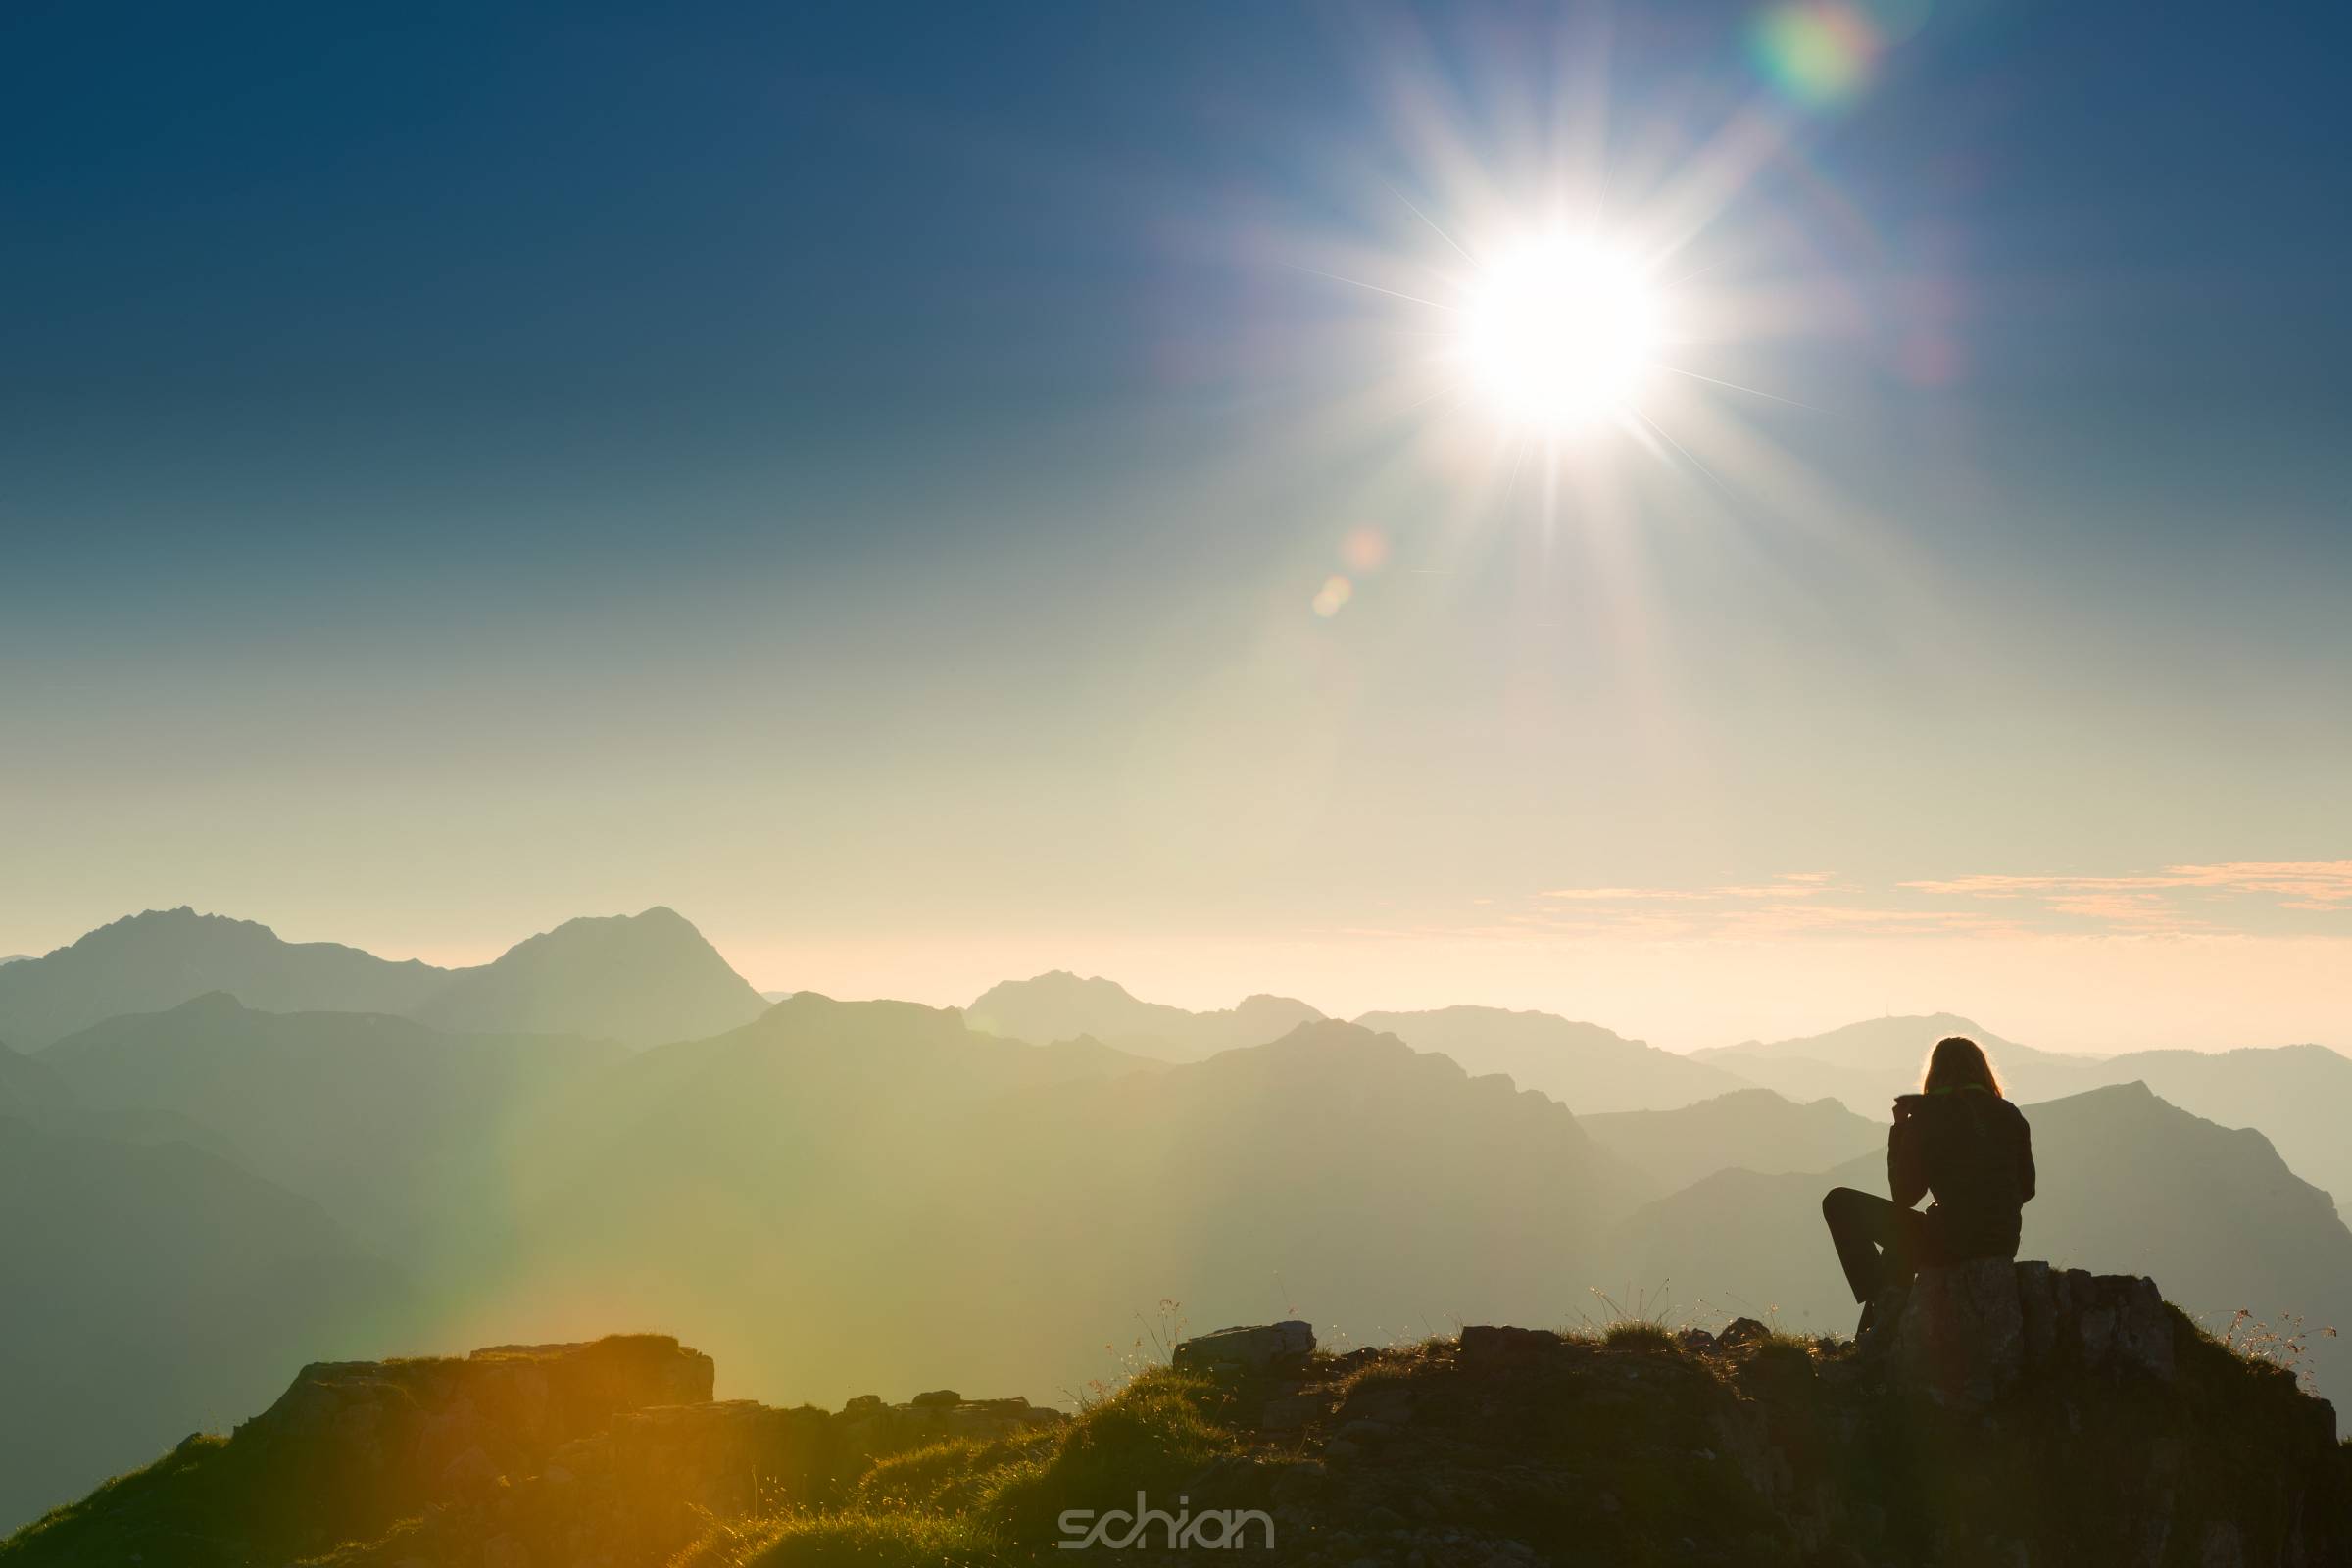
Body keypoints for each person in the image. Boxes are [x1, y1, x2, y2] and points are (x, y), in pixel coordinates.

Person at [1820, 1035, 2035, 1329]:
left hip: (1950, 1243)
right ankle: (1875, 1330)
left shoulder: (1927, 1116)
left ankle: (1880, 1310)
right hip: (2003, 1243)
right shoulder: (2010, 1114)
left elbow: (1906, 1195)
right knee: (1899, 1247)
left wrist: (1900, 1131)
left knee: (1839, 1203)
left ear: (1935, 1072)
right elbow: (2027, 1188)